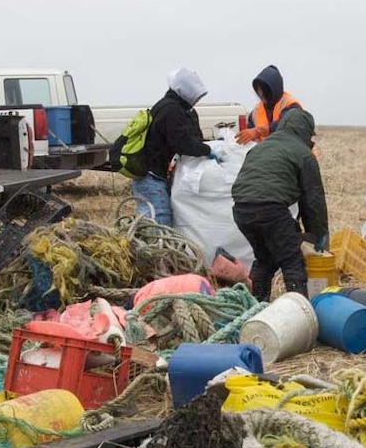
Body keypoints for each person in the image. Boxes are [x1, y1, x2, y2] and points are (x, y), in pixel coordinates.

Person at [231, 108, 328, 301]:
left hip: (241, 210)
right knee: (292, 261)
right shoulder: (303, 154)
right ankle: (298, 312)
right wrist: (318, 239)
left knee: (265, 258)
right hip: (270, 210)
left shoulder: (260, 147)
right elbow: (313, 203)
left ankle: (256, 306)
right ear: (305, 130)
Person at [133, 68, 216, 226]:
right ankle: (154, 251)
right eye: (196, 95)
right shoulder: (171, 110)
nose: (197, 100)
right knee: (158, 222)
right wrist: (207, 151)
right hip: (150, 177)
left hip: (154, 176)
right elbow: (181, 142)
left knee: (153, 221)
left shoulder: (175, 108)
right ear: (186, 91)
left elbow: (191, 138)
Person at [235, 65, 302, 145]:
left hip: (295, 155)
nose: (262, 94)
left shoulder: (290, 105)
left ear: (275, 88)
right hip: (269, 154)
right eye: (259, 90)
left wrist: (257, 131)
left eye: (265, 90)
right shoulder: (255, 113)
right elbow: (250, 135)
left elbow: (287, 124)